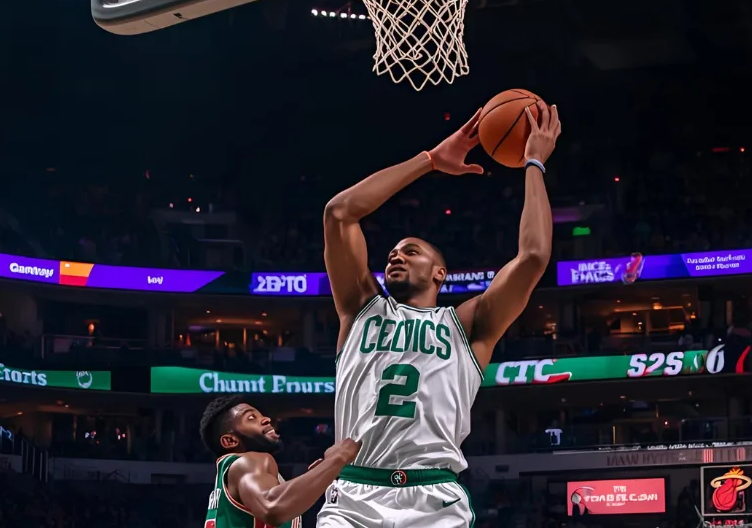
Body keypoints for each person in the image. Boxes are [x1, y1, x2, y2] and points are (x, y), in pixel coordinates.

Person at [318, 101, 560, 527]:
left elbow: (534, 256)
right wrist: (429, 160)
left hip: (434, 497)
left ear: (439, 273)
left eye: (411, 251)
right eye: (392, 252)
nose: (396, 255)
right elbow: (340, 212)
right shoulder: (360, 308)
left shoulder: (467, 325)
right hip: (354, 493)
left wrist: (534, 163)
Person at [200, 395, 362, 528]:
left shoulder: (229, 474)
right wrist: (336, 460)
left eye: (261, 414)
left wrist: (320, 475)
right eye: (251, 418)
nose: (266, 419)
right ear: (230, 441)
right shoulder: (250, 461)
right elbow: (272, 507)